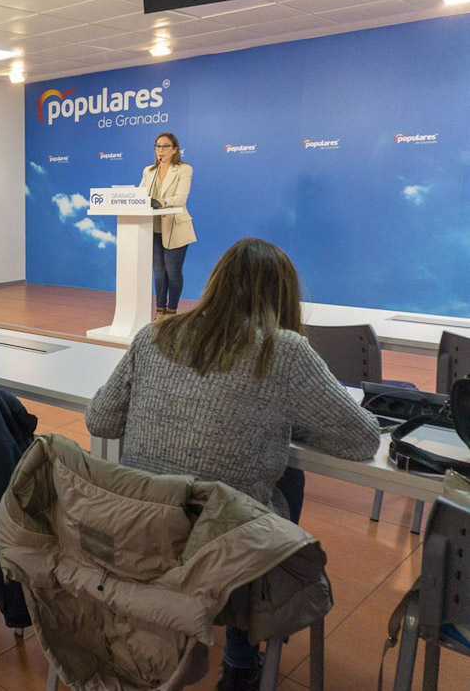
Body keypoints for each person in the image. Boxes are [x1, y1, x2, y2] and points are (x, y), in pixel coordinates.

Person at [85, 237, 380, 691]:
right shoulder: (285, 350)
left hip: (142, 541)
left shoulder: (154, 335)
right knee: (288, 480)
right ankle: (242, 655)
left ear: (215, 284)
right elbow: (362, 440)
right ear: (283, 296)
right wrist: (286, 421)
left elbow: (99, 420)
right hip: (225, 558)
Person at [140, 132, 195, 316]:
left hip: (175, 226)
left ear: (175, 149)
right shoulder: (149, 171)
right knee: (158, 273)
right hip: (153, 227)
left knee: (172, 272)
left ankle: (171, 311)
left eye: (164, 146)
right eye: (157, 146)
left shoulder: (183, 169)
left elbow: (181, 198)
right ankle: (159, 310)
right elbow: (140, 195)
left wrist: (161, 202)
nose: (160, 150)